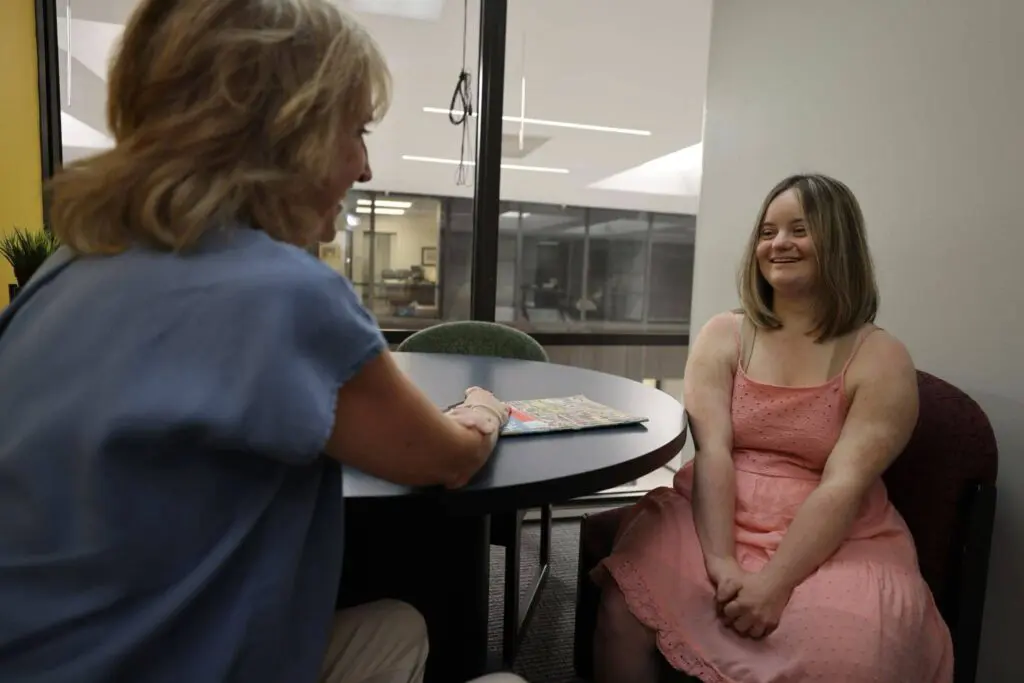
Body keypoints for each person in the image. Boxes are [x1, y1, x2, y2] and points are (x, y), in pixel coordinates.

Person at [0, 1, 526, 683]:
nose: (364, 168)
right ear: (290, 130)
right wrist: (483, 410)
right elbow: (447, 459)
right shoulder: (285, 294)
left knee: (397, 628)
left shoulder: (62, 271)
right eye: (356, 132)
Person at [592, 174, 953, 683]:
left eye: (799, 230)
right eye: (767, 232)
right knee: (623, 609)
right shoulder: (724, 335)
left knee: (855, 654)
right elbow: (713, 450)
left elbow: (843, 484)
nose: (779, 244)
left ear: (840, 242)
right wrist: (720, 561)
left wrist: (775, 584)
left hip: (831, 526)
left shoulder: (880, 357)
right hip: (717, 508)